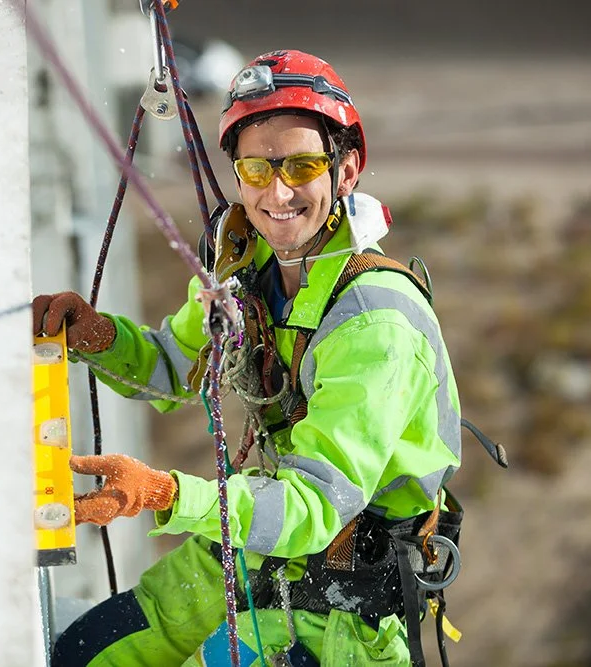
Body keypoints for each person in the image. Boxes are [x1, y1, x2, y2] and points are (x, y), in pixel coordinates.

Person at [36, 50, 464, 667]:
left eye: (302, 165)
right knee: (84, 654)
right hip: (260, 545)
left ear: (346, 171)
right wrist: (99, 337)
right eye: (257, 169)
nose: (278, 191)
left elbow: (315, 505)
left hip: (343, 608)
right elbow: (174, 367)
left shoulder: (373, 322)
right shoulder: (247, 266)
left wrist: (165, 494)